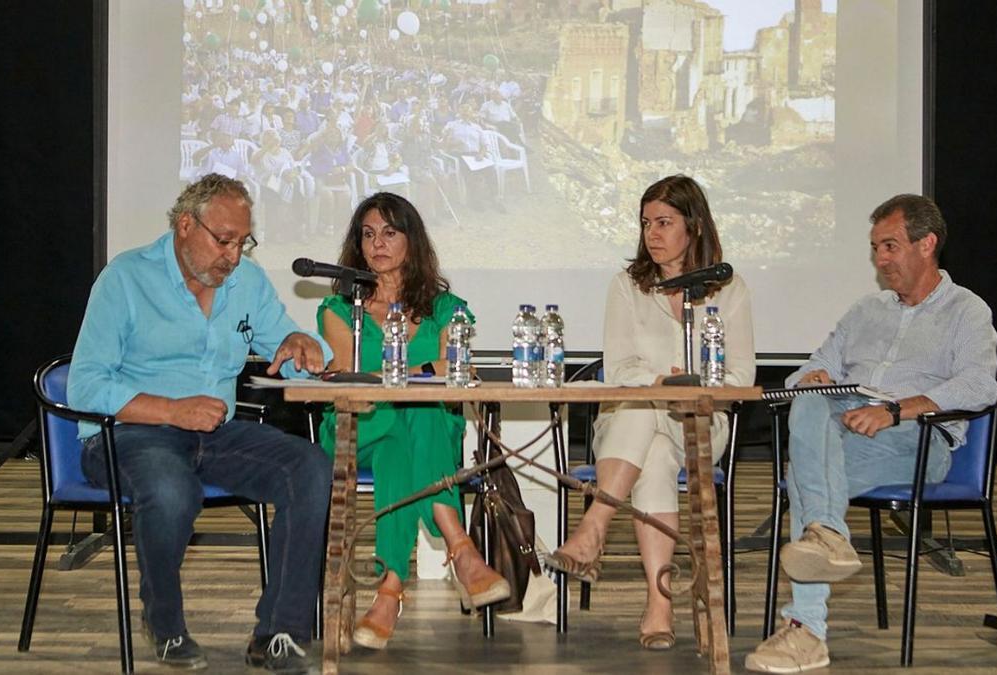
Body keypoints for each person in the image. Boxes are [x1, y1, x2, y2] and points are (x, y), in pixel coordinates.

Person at [67, 174, 331, 674]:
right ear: (186, 225)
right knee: (172, 491)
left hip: (215, 433)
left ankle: (280, 633)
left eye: (243, 242)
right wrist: (171, 410)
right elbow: (84, 387)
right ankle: (164, 625)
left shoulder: (246, 282)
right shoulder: (125, 279)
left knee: (309, 466)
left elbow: (289, 347)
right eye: (224, 240)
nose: (233, 256)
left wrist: (304, 345)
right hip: (127, 434)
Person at [744, 194, 997, 673]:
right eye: (875, 248)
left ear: (927, 244)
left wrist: (896, 409)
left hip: (919, 439)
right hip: (844, 426)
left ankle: (807, 627)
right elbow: (814, 366)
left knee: (806, 480)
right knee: (808, 400)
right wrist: (812, 378)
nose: (880, 259)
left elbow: (980, 384)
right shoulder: (865, 311)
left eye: (890, 246)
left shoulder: (967, 311)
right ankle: (827, 536)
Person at [544, 175, 755, 650]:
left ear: (694, 225)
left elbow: (741, 374)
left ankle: (593, 528)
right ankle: (660, 603)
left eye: (664, 222)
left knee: (653, 413)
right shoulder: (628, 286)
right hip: (629, 422)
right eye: (645, 224)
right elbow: (619, 368)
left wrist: (691, 386)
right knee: (653, 447)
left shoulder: (729, 289)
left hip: (700, 424)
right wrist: (661, 383)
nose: (652, 234)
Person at [316, 192, 510, 650]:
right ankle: (461, 550)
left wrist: (409, 377)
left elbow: (456, 368)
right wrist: (421, 373)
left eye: (389, 232)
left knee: (408, 433)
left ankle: (389, 587)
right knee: (411, 414)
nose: (377, 244)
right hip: (357, 427)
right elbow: (354, 378)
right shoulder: (340, 311)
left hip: (418, 433)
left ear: (412, 241)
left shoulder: (448, 307)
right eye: (368, 234)